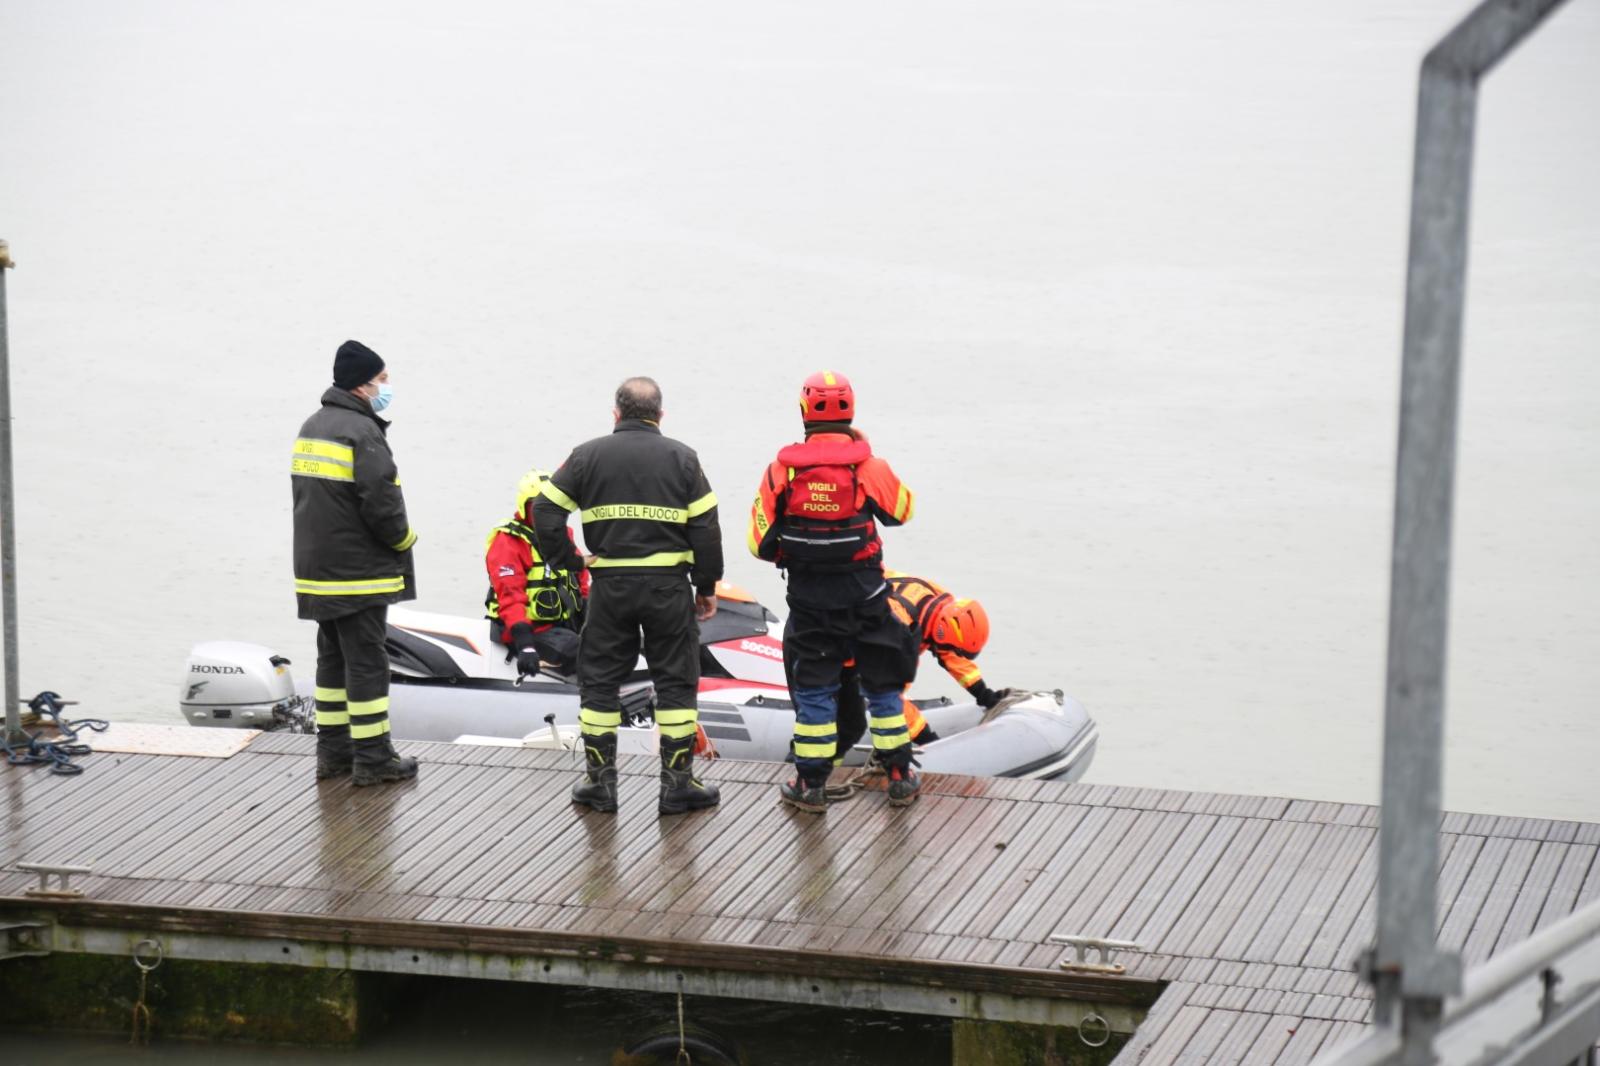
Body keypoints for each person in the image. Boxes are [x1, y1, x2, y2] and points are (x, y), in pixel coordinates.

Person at [533, 377, 724, 816]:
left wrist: (572, 562)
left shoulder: (587, 455)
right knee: (676, 681)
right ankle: (677, 786)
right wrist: (707, 585)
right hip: (668, 588)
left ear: (615, 414)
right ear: (660, 415)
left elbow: (545, 509)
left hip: (610, 587)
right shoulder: (683, 458)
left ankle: (600, 785)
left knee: (599, 679)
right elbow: (706, 529)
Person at [748, 370, 918, 814]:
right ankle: (899, 774)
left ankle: (810, 784)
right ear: (851, 410)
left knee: (815, 689)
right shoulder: (868, 466)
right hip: (865, 595)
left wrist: (803, 552)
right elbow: (902, 511)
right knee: (882, 684)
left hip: (810, 600)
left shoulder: (782, 469)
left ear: (804, 412)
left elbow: (757, 542)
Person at [291, 339, 419, 786]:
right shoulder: (362, 433)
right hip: (358, 573)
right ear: (363, 386)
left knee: (332, 662)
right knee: (367, 663)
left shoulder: (312, 426)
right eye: (383, 380)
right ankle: (373, 759)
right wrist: (406, 540)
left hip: (317, 571)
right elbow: (382, 505)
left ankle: (334, 754)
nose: (387, 387)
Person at [828, 573, 1009, 770]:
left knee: (853, 722)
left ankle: (825, 769)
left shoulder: (938, 603)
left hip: (851, 619)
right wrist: (927, 739)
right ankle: (817, 772)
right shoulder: (897, 632)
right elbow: (889, 694)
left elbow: (949, 651)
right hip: (830, 650)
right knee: (845, 725)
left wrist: (984, 694)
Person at [484, 468, 587, 677]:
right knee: (584, 652)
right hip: (524, 630)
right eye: (539, 507)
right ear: (525, 506)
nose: (546, 513)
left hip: (560, 626)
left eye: (552, 507)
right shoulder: (509, 542)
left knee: (618, 642)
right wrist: (525, 645)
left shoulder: (562, 537)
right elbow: (510, 596)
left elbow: (582, 585)